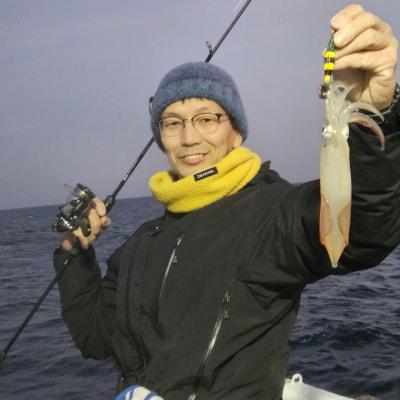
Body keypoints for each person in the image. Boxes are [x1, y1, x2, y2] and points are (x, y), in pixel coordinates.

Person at [53, 4, 399, 400]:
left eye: (207, 119)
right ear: (161, 137)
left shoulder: (271, 214)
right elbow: (97, 338)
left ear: (236, 132)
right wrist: (75, 258)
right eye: (173, 123)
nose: (189, 139)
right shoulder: (140, 244)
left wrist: (376, 114)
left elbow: (364, 230)